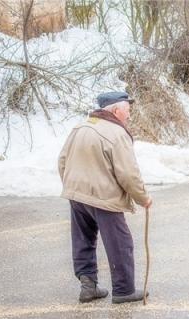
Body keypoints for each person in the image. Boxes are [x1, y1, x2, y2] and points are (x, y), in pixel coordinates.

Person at [58, 91, 152, 304]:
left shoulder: (79, 127)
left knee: (83, 240)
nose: (129, 115)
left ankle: (88, 287)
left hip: (77, 194)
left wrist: (72, 185)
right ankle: (124, 290)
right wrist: (143, 198)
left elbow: (62, 160)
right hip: (103, 197)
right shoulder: (117, 133)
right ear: (116, 110)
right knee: (120, 243)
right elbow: (128, 174)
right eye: (127, 110)